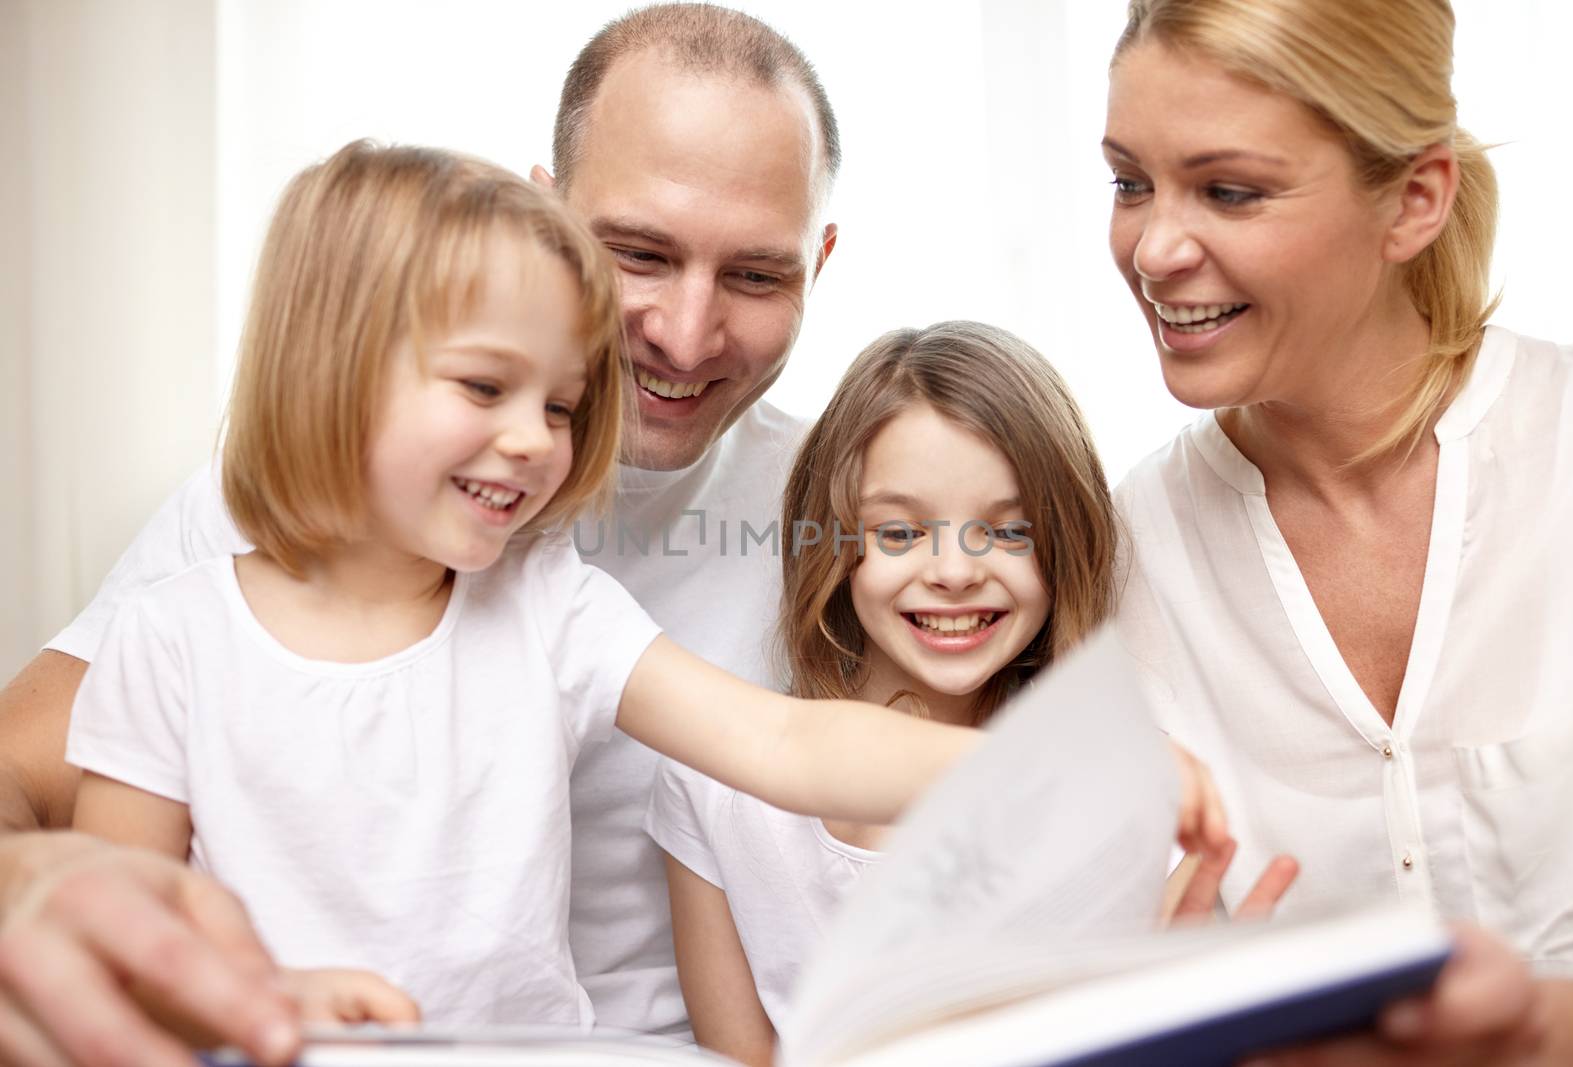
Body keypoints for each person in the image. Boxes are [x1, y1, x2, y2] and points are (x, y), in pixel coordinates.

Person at [0, 6, 842, 1062]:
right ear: (548, 217)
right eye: (636, 252)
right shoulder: (320, 504)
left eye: (757, 275)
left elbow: (842, 766)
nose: (684, 330)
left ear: (821, 258)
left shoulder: (854, 506)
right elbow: (35, 784)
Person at [65, 138, 983, 1029]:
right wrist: (263, 1004)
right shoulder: (168, 641)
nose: (537, 441)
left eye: (559, 404)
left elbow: (783, 742)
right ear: (327, 371)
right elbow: (119, 941)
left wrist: (1032, 770)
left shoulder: (547, 604)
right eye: (482, 387)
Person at [1104, 0, 1573, 1061]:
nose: (1152, 247)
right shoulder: (1121, 555)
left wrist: (1535, 1029)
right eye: (1128, 182)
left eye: (1227, 190)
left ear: (1414, 199)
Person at [643, 321, 1119, 1065]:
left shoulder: (1113, 793)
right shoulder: (714, 793)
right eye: (899, 534)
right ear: (836, 548)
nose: (955, 571)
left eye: (1011, 531)